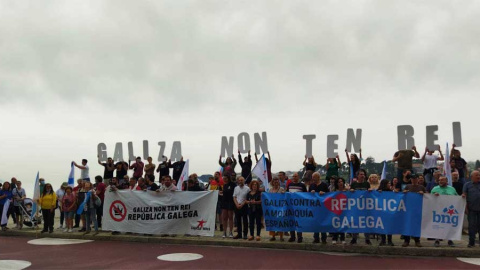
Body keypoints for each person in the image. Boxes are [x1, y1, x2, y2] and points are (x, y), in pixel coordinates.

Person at [431, 176, 458, 247]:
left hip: (449, 212)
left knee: (449, 225)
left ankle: (450, 240)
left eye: (442, 180)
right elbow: (429, 199)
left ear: (447, 181)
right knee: (438, 226)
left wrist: (463, 197)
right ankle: (437, 240)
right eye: (439, 180)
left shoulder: (452, 189)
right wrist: (433, 195)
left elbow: (457, 198)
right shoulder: (435, 189)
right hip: (438, 211)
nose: (440, 181)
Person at [402, 174, 426, 247]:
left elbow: (427, 196)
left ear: (418, 179)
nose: (414, 180)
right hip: (408, 209)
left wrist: (423, 193)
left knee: (416, 225)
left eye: (415, 178)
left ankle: (417, 240)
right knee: (407, 224)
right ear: (411, 179)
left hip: (418, 209)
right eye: (412, 179)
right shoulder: (407, 186)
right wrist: (404, 192)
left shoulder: (421, 187)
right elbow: (402, 196)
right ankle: (406, 240)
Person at [349, 169, 372, 245]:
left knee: (366, 222)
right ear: (357, 176)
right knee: (355, 222)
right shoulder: (354, 184)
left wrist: (370, 190)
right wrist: (351, 191)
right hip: (356, 207)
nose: (362, 176)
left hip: (365, 207)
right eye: (361, 174)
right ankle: (354, 238)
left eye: (363, 174)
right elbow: (349, 194)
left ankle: (367, 239)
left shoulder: (367, 184)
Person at [287, 172, 307, 243]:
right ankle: (292, 236)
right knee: (291, 222)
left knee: (299, 222)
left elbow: (306, 195)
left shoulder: (302, 185)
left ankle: (300, 237)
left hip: (299, 207)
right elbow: (287, 195)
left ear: (298, 177)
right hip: (290, 207)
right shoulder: (289, 185)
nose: (294, 178)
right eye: (293, 176)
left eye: (296, 176)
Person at [462, 170, 480, 248]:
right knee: (471, 226)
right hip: (471, 209)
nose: (478, 177)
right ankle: (471, 242)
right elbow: (464, 196)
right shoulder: (467, 185)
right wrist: (465, 208)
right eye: (477, 175)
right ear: (472, 177)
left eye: (479, 175)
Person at [310, 172, 329, 244]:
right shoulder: (311, 185)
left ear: (318, 177)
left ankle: (324, 238)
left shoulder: (324, 185)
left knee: (323, 223)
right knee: (315, 223)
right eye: (312, 177)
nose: (313, 179)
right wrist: (311, 192)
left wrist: (324, 193)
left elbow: (329, 194)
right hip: (315, 207)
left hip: (323, 207)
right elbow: (307, 195)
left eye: (314, 177)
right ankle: (316, 238)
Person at [377, 179, 395, 246]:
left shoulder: (391, 192)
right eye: (388, 183)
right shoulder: (378, 192)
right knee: (382, 226)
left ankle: (390, 240)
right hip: (381, 212)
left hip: (389, 212)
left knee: (389, 226)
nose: (390, 185)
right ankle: (383, 240)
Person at [268, 176, 285, 241]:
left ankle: (281, 236)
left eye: (277, 180)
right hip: (272, 209)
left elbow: (285, 198)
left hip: (280, 209)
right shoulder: (270, 190)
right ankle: (273, 236)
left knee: (280, 222)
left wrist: (284, 194)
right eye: (274, 180)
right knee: (272, 222)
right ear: (272, 182)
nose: (275, 181)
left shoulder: (281, 189)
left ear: (278, 182)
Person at [332, 178, 347, 245]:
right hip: (336, 209)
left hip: (344, 209)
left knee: (342, 224)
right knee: (335, 224)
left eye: (341, 181)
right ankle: (334, 238)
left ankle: (342, 238)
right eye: (339, 182)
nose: (340, 183)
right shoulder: (333, 191)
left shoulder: (347, 190)